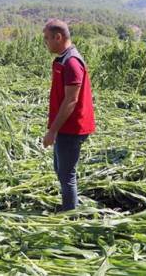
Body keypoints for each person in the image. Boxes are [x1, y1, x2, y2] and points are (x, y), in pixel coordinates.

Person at [42, 19, 95, 211]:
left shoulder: (72, 62)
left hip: (72, 127)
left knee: (67, 175)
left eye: (47, 38)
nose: (45, 42)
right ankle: (69, 207)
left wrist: (52, 131)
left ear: (58, 37)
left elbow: (71, 100)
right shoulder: (63, 58)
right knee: (61, 170)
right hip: (64, 125)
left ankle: (70, 217)